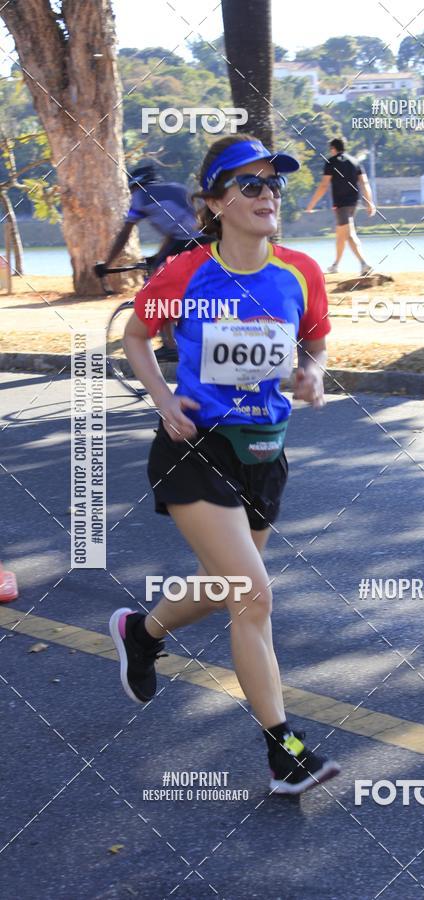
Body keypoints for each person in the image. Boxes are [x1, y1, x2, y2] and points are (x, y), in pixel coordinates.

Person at [108, 133, 341, 795]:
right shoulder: (184, 272)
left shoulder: (300, 271)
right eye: (249, 184)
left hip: (264, 452)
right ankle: (284, 752)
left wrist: (314, 376)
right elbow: (134, 332)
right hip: (194, 448)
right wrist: (162, 400)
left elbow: (317, 339)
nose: (267, 195)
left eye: (274, 184)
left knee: (225, 585)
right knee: (252, 596)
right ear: (214, 201)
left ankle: (142, 632)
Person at [95, 163, 211, 360]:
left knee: (157, 288)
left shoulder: (141, 196)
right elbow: (176, 230)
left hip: (189, 242)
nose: (132, 194)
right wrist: (158, 258)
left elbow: (124, 235)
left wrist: (107, 265)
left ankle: (170, 346)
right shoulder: (177, 188)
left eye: (132, 190)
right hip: (210, 239)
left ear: (136, 185)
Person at [305, 138, 376, 275]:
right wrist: (369, 202)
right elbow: (365, 183)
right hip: (353, 203)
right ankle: (336, 265)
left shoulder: (331, 162)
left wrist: (312, 204)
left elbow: (324, 185)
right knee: (342, 234)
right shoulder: (355, 162)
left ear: (333, 149)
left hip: (341, 204)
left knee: (348, 234)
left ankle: (364, 264)